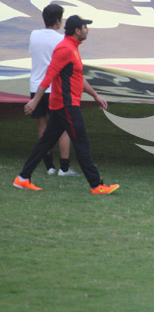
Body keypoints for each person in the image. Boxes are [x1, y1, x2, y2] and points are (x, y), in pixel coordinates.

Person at [13, 15, 119, 194]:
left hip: (64, 104)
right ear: (77, 31)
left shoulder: (73, 48)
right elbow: (49, 76)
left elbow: (77, 77)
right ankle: (96, 185)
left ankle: (23, 178)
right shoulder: (64, 49)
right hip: (66, 105)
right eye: (85, 27)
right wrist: (35, 100)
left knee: (45, 142)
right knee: (82, 142)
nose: (87, 30)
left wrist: (95, 95)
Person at [28, 4, 77, 177]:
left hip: (36, 87)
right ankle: (64, 168)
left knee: (43, 125)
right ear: (58, 20)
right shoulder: (61, 40)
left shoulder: (34, 35)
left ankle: (49, 166)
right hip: (55, 89)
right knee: (64, 127)